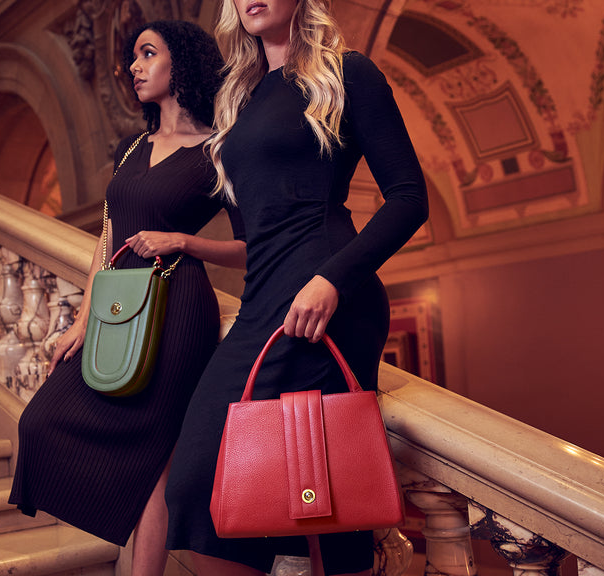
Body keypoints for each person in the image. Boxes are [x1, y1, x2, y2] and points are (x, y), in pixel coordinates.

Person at [164, 0, 428, 574]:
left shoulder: (347, 72)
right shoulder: (238, 96)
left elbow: (409, 198)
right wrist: (183, 241)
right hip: (264, 297)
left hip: (328, 295)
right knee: (202, 489)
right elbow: (252, 226)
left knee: (324, 501)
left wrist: (332, 279)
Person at [8, 20, 245, 576]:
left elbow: (249, 246)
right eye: (133, 58)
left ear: (179, 64)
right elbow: (108, 238)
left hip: (178, 310)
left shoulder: (219, 151)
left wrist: (183, 241)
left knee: (157, 462)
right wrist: (83, 320)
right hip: (117, 305)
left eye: (147, 54)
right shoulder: (132, 145)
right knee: (39, 422)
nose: (134, 68)